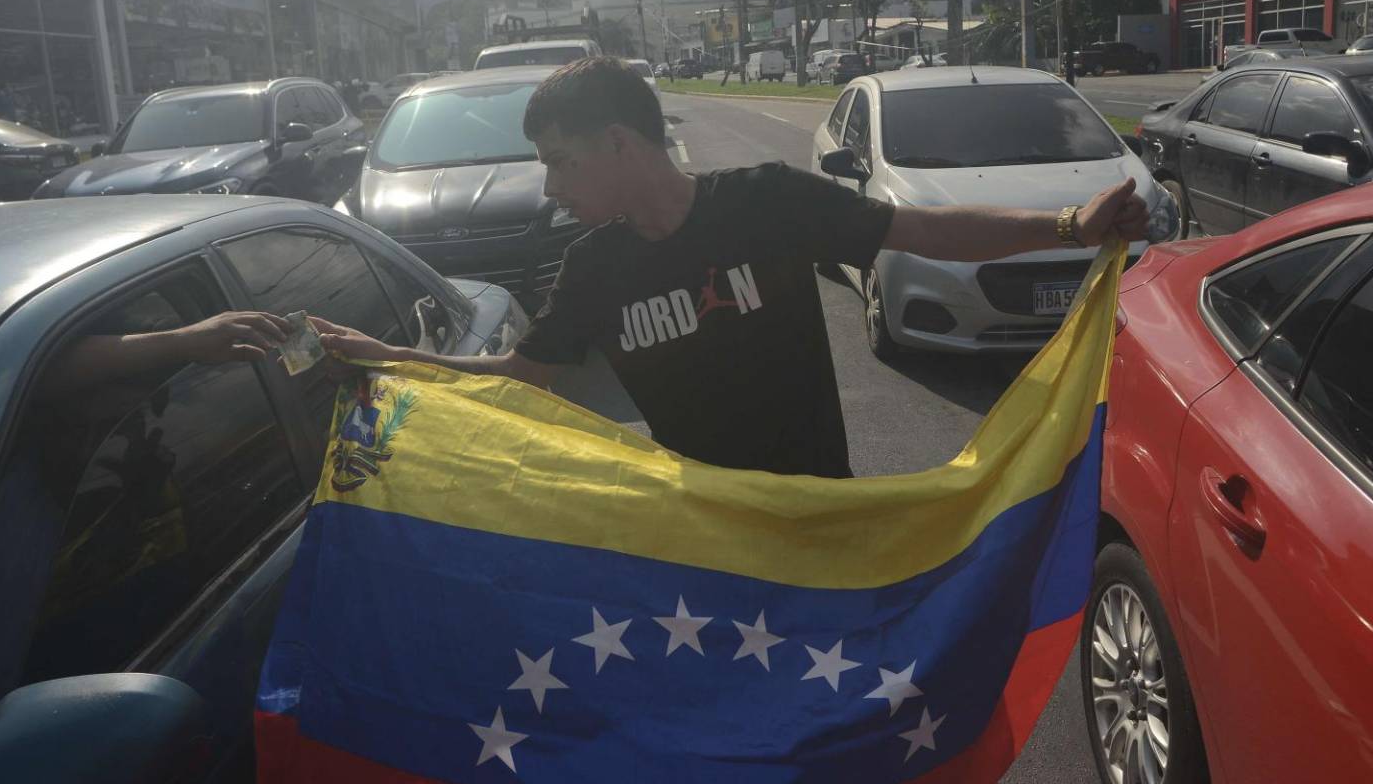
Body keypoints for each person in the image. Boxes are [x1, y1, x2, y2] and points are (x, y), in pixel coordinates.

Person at [311, 56, 1148, 478]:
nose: (551, 187)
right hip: (709, 529)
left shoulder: (767, 201)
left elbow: (924, 232)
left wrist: (1071, 223)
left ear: (618, 144)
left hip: (821, 506)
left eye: (561, 162)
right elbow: (517, 380)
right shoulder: (591, 269)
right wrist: (386, 358)